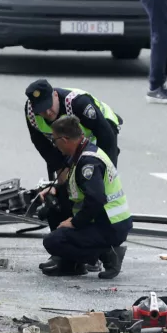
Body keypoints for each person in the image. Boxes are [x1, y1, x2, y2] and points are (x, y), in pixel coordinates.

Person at [40, 116, 133, 279]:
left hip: (110, 224)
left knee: (53, 241)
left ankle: (108, 254)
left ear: (64, 139)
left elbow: (96, 199)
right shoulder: (81, 152)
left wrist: (74, 223)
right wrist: (54, 189)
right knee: (54, 210)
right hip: (103, 220)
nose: (54, 145)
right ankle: (72, 265)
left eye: (54, 141)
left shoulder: (88, 162)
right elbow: (78, 189)